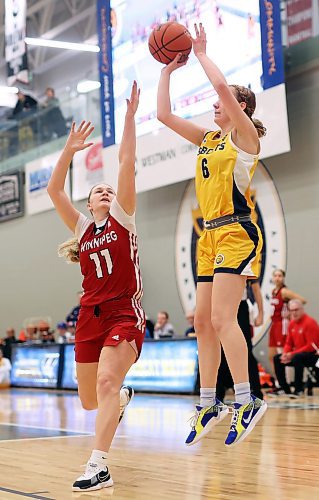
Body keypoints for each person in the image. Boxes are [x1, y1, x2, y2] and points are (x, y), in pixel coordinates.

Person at [157, 22, 267, 447]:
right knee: (202, 321)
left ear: (242, 107)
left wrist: (200, 53)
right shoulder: (207, 139)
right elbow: (164, 115)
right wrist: (168, 70)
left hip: (237, 233)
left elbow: (221, 87)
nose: (217, 104)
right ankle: (209, 402)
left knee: (223, 318)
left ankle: (246, 399)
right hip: (208, 238)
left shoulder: (245, 137)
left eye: (226, 102)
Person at [47, 81, 145, 492]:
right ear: (89, 205)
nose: (106, 192)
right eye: (97, 191)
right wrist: (69, 152)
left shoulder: (123, 218)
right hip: (90, 315)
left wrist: (128, 118)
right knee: (92, 400)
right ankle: (120, 402)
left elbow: (125, 161)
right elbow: (54, 190)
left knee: (107, 382)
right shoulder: (84, 227)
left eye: (108, 190)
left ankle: (98, 465)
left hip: (124, 311)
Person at [216, 280, 264, 401]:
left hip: (240, 306)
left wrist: (261, 313)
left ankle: (255, 392)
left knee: (246, 350)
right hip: (221, 306)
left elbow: (256, 289)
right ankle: (218, 394)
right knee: (220, 350)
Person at [273, 300, 319, 398]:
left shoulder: (310, 323)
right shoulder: (292, 323)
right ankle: (285, 389)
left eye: (296, 310)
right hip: (298, 355)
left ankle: (299, 389)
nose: (294, 313)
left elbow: (311, 346)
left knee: (297, 357)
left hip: (313, 356)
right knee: (277, 358)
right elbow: (289, 343)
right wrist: (285, 353)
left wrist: (292, 354)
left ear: (302, 309)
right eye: (291, 310)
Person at [268, 269, 306, 382]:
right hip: (274, 324)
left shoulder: (284, 291)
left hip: (282, 325)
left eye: (280, 276)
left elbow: (302, 300)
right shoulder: (273, 291)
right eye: (275, 275)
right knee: (271, 355)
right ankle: (278, 381)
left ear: (283, 277)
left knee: (282, 354)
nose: (277, 278)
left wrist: (291, 311)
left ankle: (287, 382)